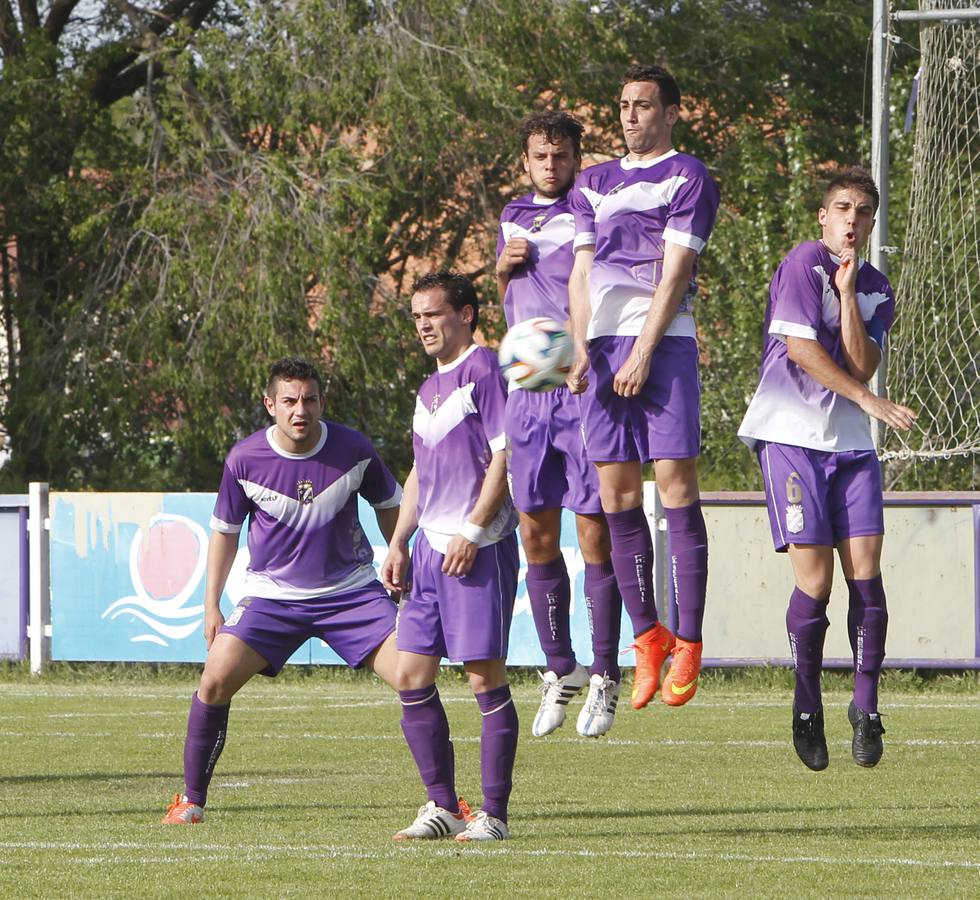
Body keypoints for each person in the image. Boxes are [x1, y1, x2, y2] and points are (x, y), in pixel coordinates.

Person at [162, 357, 403, 824]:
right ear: (270, 404)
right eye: (290, 401)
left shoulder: (353, 448)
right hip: (271, 599)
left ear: (321, 402)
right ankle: (190, 801)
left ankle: (445, 804)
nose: (301, 410)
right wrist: (211, 603)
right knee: (213, 680)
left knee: (414, 676)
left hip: (351, 594)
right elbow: (225, 532)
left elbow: (390, 504)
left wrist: (399, 557)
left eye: (309, 400)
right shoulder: (244, 459)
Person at [738, 167, 916, 771]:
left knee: (866, 576)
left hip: (850, 448)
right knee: (815, 583)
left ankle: (864, 708)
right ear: (823, 215)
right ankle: (807, 705)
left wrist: (846, 297)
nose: (853, 220)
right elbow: (800, 351)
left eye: (863, 211)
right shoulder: (800, 262)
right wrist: (868, 403)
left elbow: (862, 365)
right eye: (843, 207)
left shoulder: (874, 288)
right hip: (790, 439)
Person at [567, 64, 719, 710]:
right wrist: (578, 347)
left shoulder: (688, 176)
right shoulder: (591, 183)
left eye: (645, 105)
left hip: (664, 344)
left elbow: (677, 273)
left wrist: (645, 351)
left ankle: (689, 639)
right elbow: (578, 274)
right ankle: (648, 635)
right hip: (600, 350)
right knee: (616, 496)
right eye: (625, 105)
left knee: (677, 487)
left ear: (672, 112)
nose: (632, 116)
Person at [496, 110, 623, 739]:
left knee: (593, 534)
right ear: (526, 162)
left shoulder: (587, 208)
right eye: (541, 156)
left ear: (576, 156)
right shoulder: (512, 216)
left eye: (561, 154)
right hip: (527, 392)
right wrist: (499, 268)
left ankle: (605, 674)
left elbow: (586, 283)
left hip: (577, 386)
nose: (551, 164)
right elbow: (509, 303)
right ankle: (559, 668)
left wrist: (577, 349)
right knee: (535, 536)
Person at [382, 271, 520, 843]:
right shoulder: (426, 388)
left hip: (476, 548)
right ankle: (443, 806)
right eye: (416, 316)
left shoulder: (486, 370)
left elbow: (506, 457)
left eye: (433, 314)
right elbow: (420, 470)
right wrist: (397, 540)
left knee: (482, 678)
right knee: (411, 675)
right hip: (428, 550)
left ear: (465, 314)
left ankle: (494, 815)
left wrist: (471, 528)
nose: (423, 326)